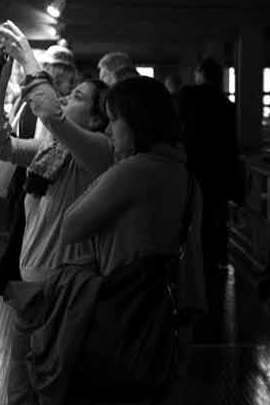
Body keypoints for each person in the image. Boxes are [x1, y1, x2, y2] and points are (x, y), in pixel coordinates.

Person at [0, 21, 116, 405]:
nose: (67, 96)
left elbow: (52, 115)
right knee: (21, 393)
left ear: (96, 119)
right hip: (31, 292)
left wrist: (27, 57)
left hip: (66, 295)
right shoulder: (51, 150)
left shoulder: (98, 153)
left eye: (77, 96)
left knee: (55, 393)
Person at [59, 76, 206, 403]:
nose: (108, 131)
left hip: (125, 316)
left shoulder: (132, 171)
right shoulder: (188, 179)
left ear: (139, 122)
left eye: (114, 120)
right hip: (170, 323)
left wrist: (106, 174)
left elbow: (70, 227)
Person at [174, 57, 243, 318]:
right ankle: (215, 263)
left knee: (191, 217)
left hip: (191, 167)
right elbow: (232, 145)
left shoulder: (187, 96)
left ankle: (191, 267)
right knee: (216, 216)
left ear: (200, 73)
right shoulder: (227, 105)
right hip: (218, 171)